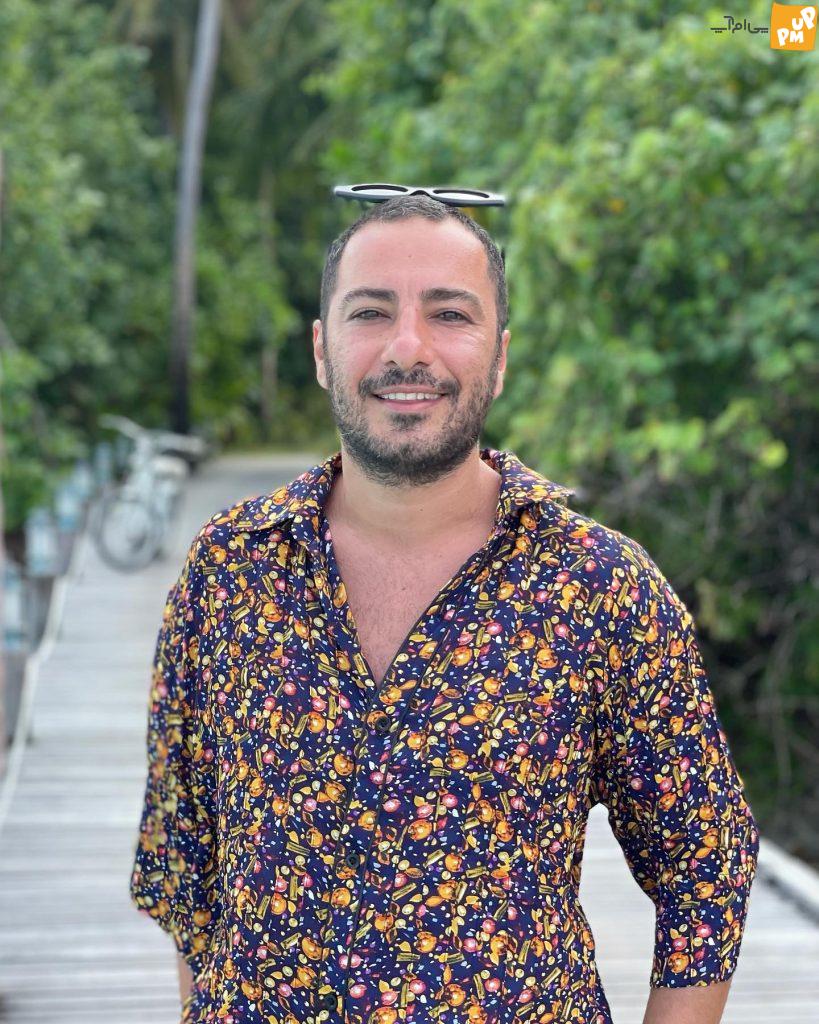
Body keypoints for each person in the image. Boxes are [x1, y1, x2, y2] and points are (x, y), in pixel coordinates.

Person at [129, 193, 759, 1024]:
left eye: (449, 314)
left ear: (499, 358)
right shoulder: (229, 571)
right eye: (370, 312)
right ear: (321, 349)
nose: (407, 348)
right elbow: (185, 864)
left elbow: (704, 866)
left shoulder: (601, 589)